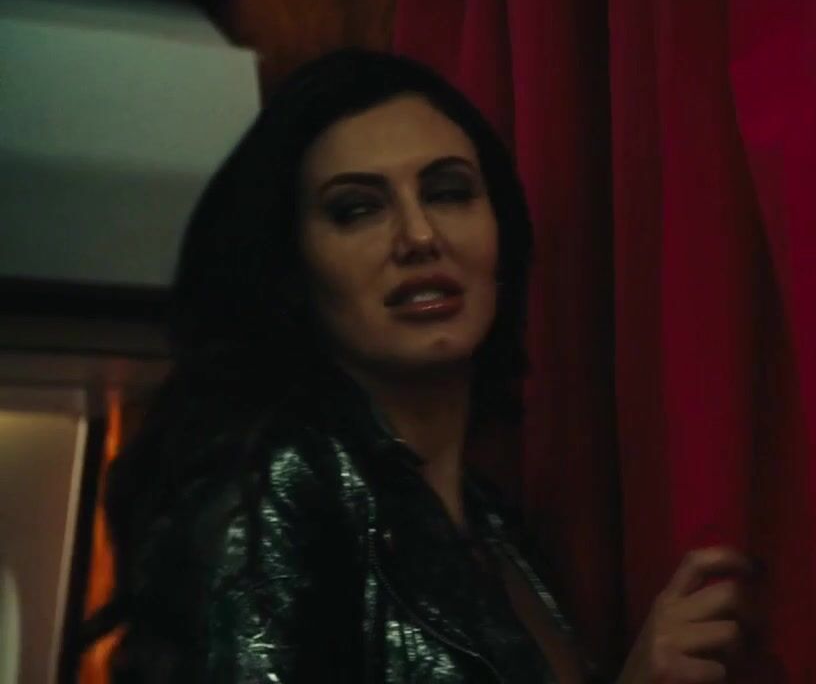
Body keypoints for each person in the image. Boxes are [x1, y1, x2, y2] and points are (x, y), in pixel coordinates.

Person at [84, 48, 758, 683]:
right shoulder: (271, 487)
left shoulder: (493, 521)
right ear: (290, 265)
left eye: (448, 192)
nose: (419, 236)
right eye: (357, 209)